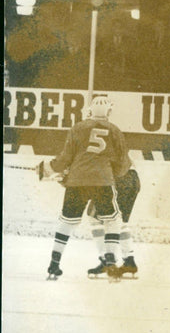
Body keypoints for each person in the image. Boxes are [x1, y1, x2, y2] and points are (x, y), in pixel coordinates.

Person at [40, 96, 130, 280]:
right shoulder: (115, 130)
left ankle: (54, 265)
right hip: (103, 181)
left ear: (89, 110)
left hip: (77, 182)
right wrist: (115, 174)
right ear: (109, 112)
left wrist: (47, 168)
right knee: (112, 221)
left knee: (67, 223)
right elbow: (122, 163)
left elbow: (66, 157)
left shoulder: (78, 128)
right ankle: (111, 264)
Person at [87, 158, 141, 279]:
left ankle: (106, 260)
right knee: (120, 221)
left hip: (117, 180)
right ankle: (129, 261)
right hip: (133, 178)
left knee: (94, 217)